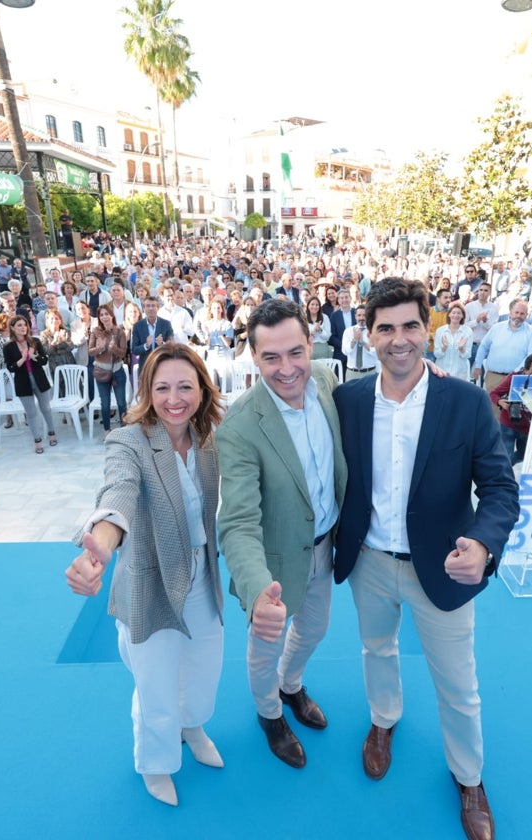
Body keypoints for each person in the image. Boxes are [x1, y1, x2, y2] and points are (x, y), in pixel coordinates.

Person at [332, 278, 519, 840]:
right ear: (368, 335)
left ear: (427, 328)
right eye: (385, 328)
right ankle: (383, 720)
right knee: (376, 649)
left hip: (442, 566)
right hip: (367, 560)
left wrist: (483, 545)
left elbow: (500, 488)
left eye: (410, 325)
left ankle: (469, 778)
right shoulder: (346, 399)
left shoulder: (464, 400)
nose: (398, 339)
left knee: (459, 685)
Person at [65, 343, 225, 807]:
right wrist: (102, 544)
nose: (174, 398)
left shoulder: (209, 437)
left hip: (203, 574)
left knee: (204, 668)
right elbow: (119, 492)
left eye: (184, 387)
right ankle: (155, 762)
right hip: (150, 580)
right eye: (162, 388)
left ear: (201, 390)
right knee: (155, 684)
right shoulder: (129, 440)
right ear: (146, 391)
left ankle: (191, 725)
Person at [217, 298, 347, 770]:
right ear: (253, 356)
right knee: (263, 649)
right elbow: (237, 522)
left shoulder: (327, 383)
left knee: (315, 628)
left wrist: (422, 370)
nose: (287, 369)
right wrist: (257, 593)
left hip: (326, 546)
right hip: (272, 565)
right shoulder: (238, 428)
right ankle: (269, 714)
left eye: (295, 353)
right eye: (271, 357)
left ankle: (291, 686)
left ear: (311, 345)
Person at [3, 315, 57, 454]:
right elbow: (10, 367)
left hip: (39, 379)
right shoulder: (8, 346)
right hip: (23, 382)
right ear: (13, 328)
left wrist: (34, 357)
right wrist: (22, 358)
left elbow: (44, 360)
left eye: (24, 325)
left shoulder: (35, 341)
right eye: (19, 325)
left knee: (46, 408)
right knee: (31, 413)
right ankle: (37, 440)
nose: (23, 328)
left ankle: (52, 433)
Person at [473, 299, 532, 397]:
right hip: (493, 377)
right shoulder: (496, 328)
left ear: (527, 315)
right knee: (491, 409)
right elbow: (484, 346)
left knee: (511, 410)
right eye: (516, 312)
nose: (518, 316)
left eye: (522, 314)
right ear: (510, 312)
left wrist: (515, 373)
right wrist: (478, 366)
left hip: (517, 380)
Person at [490, 352, 532, 465]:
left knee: (523, 455)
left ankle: (509, 465)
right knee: (506, 457)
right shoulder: (514, 378)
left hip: (529, 427)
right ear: (526, 370)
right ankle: (505, 476)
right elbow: (494, 394)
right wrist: (500, 402)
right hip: (509, 424)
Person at [88, 304, 129, 435]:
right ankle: (107, 431)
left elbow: (123, 353)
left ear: (112, 315)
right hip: (101, 371)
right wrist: (100, 348)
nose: (105, 317)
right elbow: (90, 351)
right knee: (105, 404)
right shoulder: (95, 331)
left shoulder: (119, 331)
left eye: (107, 314)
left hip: (117, 371)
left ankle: (125, 430)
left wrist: (114, 348)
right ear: (99, 317)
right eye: (102, 315)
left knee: (121, 403)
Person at [130, 297, 174, 374]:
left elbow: (172, 345)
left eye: (153, 306)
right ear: (144, 308)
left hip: (162, 365)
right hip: (145, 367)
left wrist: (162, 344)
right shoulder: (138, 326)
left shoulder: (166, 324)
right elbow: (134, 349)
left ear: (158, 308)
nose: (150, 308)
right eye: (148, 306)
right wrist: (146, 345)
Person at [433, 302, 473, 379]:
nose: (456, 315)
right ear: (449, 314)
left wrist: (462, 349)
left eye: (459, 313)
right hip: (442, 370)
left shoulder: (468, 331)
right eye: (453, 312)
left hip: (460, 372)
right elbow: (436, 354)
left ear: (462, 316)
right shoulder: (440, 331)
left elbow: (467, 355)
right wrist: (444, 347)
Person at [342, 305, 379, 380]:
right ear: (355, 316)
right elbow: (345, 351)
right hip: (352, 373)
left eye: (364, 315)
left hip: (369, 373)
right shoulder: (348, 331)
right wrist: (354, 340)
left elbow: (376, 352)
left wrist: (362, 342)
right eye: (359, 315)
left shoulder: (373, 331)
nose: (361, 318)